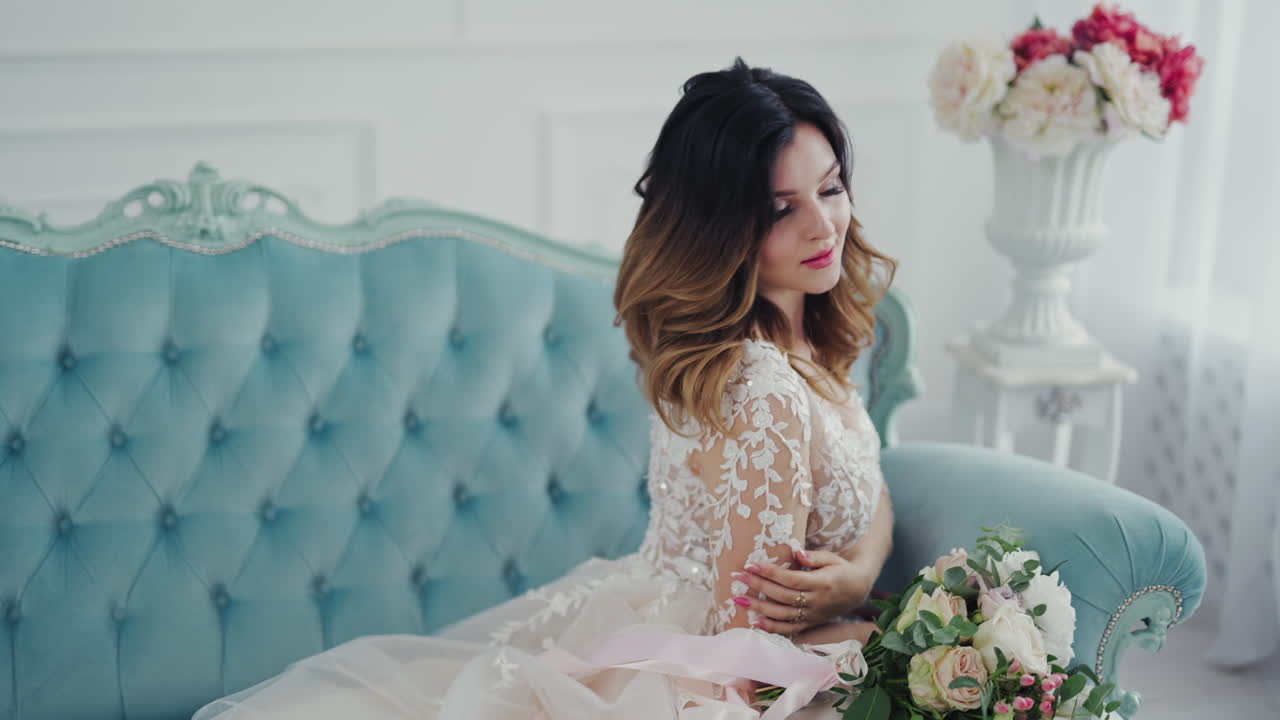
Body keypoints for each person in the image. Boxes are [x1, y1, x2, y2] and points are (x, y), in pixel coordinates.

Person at [192, 56, 897, 720]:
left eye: (830, 188)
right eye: (779, 209)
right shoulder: (761, 386)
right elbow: (747, 662)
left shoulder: (806, 335)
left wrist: (860, 574)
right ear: (721, 229)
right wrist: (892, 644)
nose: (822, 225)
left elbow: (868, 477)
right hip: (696, 675)